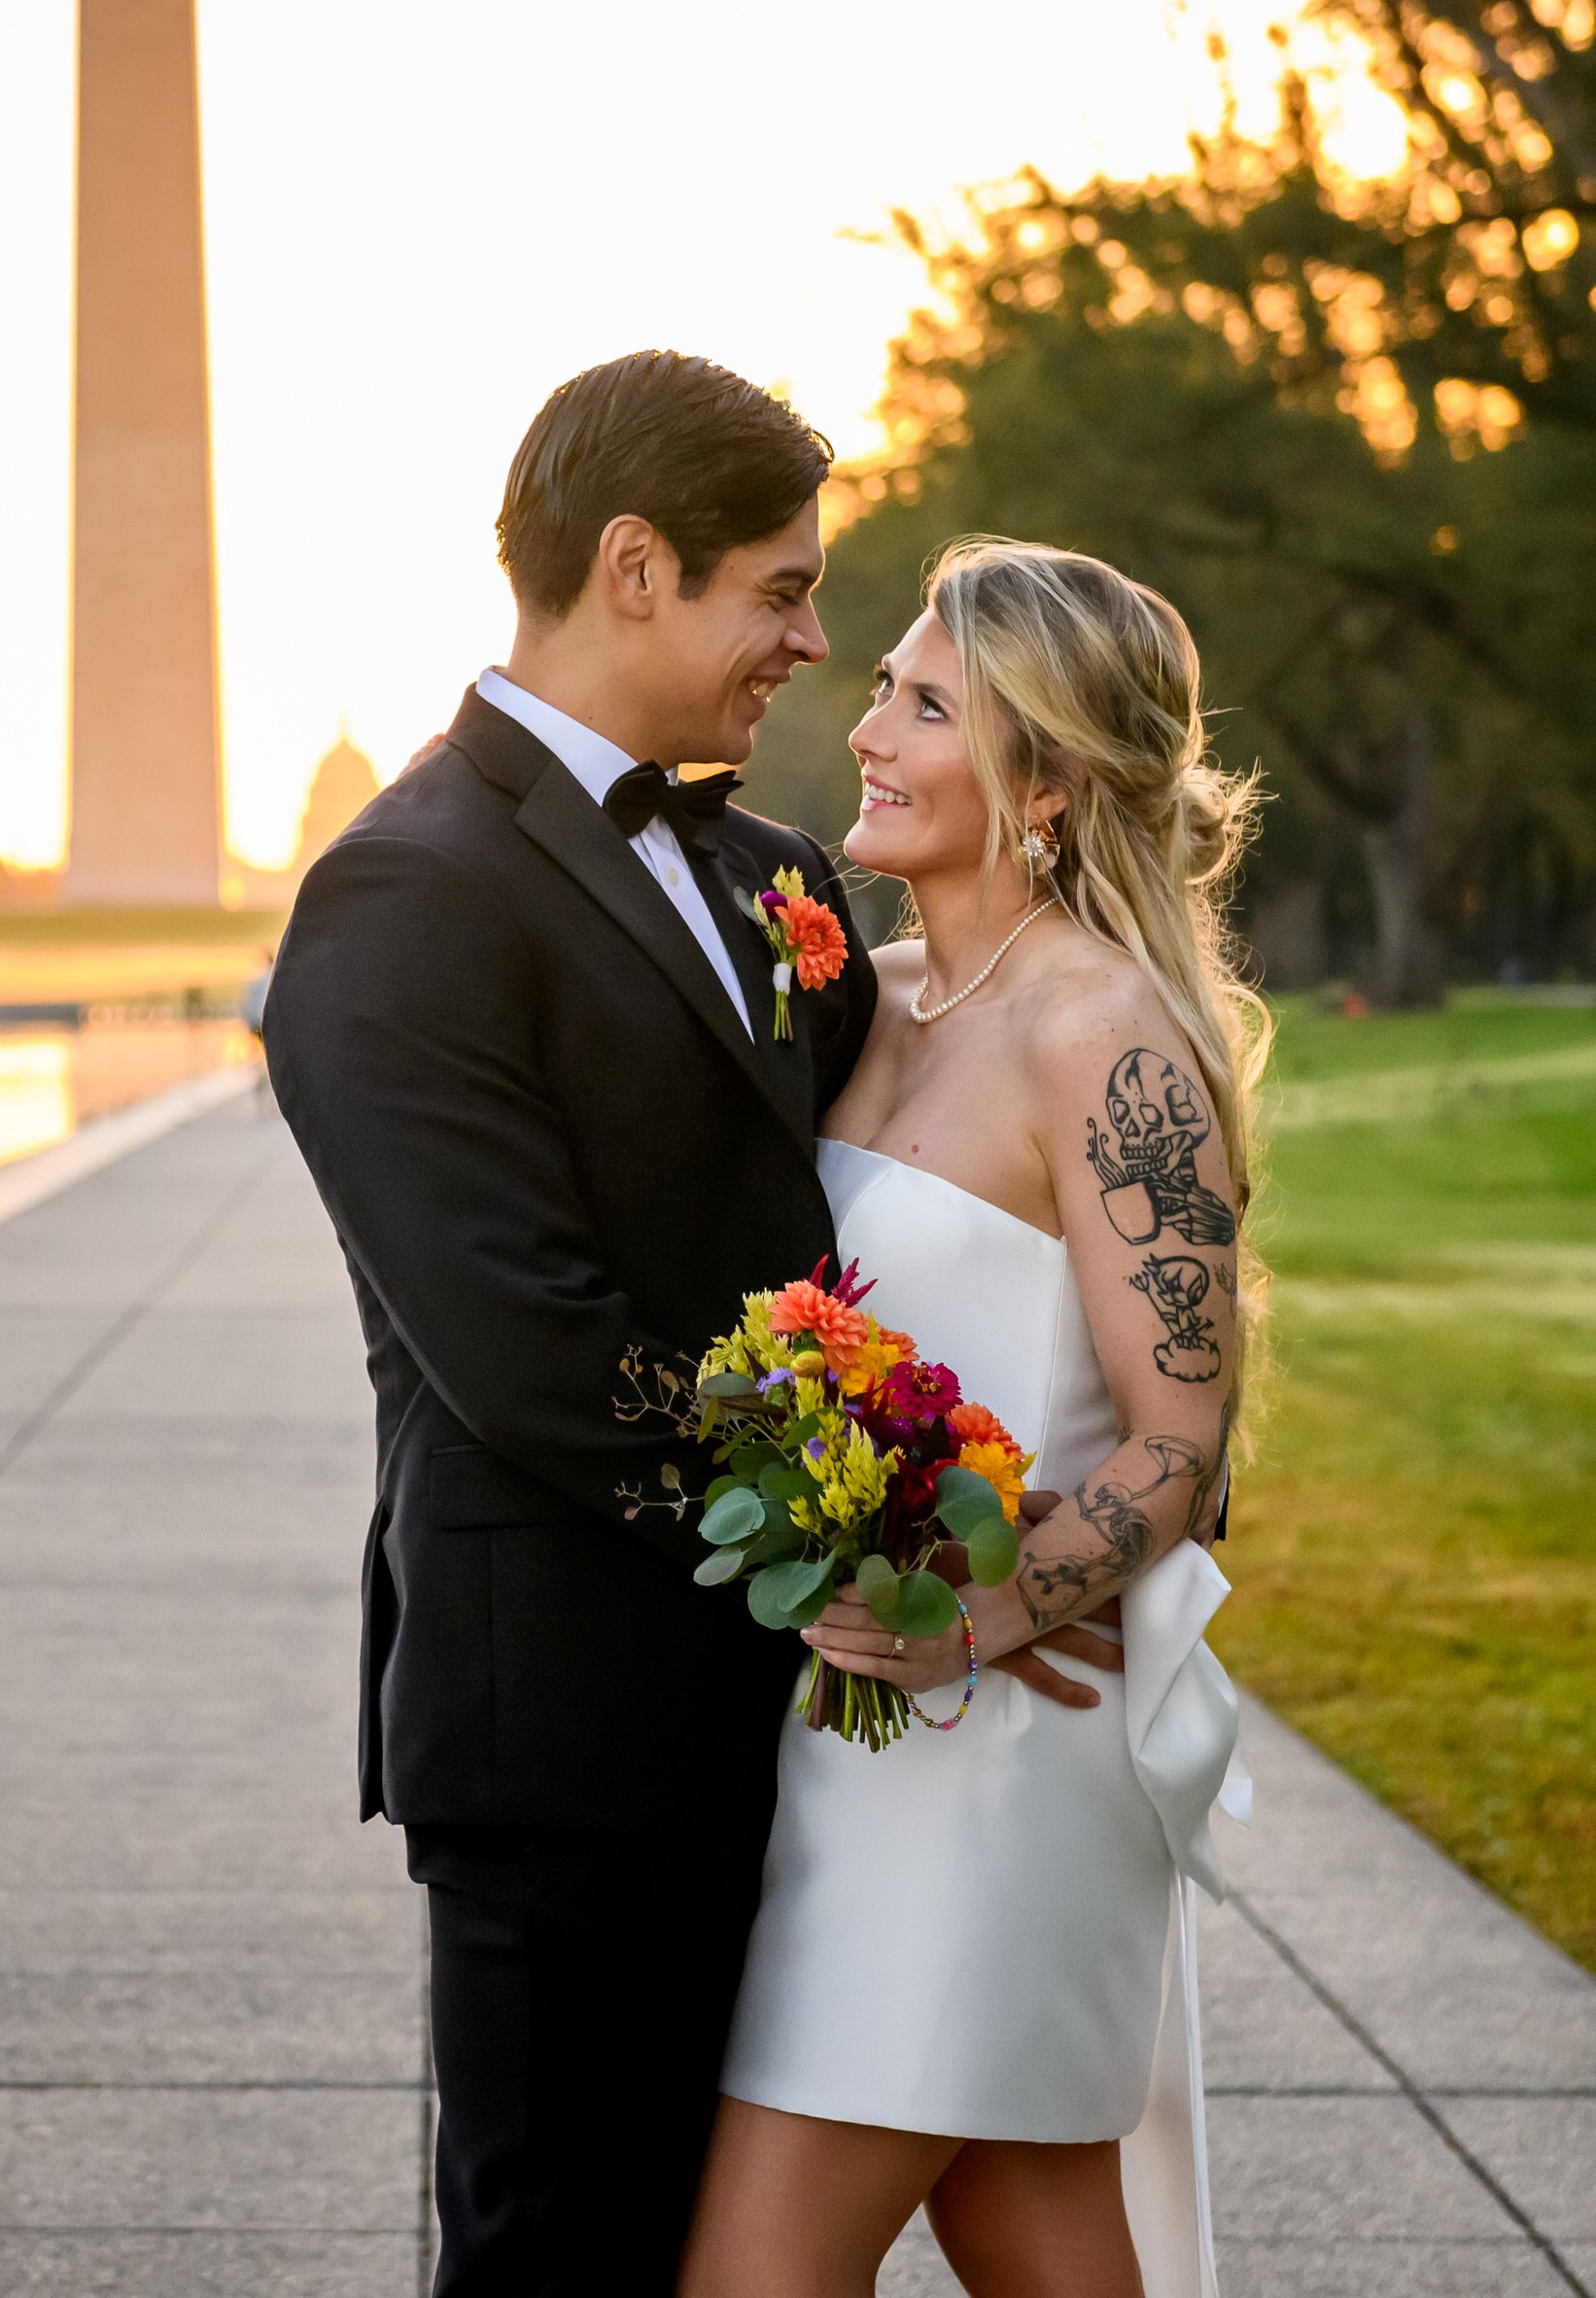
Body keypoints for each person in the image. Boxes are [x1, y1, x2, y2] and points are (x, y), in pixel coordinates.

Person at [262, 360, 1108, 2297]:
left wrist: (1067, 1534)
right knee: (573, 2256)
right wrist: (909, 1556)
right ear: (633, 568)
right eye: (781, 592)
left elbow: (935, 1196)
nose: (815, 645)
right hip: (574, 1737)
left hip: (829, 1734)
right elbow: (532, 1353)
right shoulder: (399, 900)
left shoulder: (778, 875)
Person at [681, 539, 1264, 2298]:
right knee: (1026, 2219)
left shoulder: (1107, 1039)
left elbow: (1183, 1441)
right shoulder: (867, 992)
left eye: (927, 706)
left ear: (1049, 781)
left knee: (754, 2276)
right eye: (886, 687)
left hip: (994, 1747)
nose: (867, 724)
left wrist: (996, 1604)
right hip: (850, 1727)